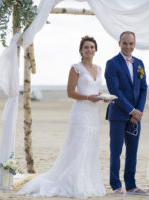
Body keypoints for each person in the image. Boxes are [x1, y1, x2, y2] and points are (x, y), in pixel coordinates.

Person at [18, 36, 106, 199]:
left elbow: (95, 89)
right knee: (78, 147)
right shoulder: (76, 68)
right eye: (86, 47)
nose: (89, 50)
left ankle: (87, 182)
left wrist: (101, 97)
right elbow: (70, 92)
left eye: (92, 47)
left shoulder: (99, 69)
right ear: (81, 50)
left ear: (96, 50)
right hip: (81, 113)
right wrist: (88, 98)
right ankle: (74, 184)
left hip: (94, 114)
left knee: (90, 147)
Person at [105, 31, 148, 196]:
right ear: (119, 43)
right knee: (116, 151)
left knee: (132, 151)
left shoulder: (139, 63)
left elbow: (143, 89)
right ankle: (116, 185)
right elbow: (114, 90)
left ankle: (131, 186)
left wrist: (139, 112)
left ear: (134, 44)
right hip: (117, 115)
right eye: (125, 43)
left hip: (136, 117)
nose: (128, 46)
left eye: (131, 43)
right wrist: (131, 110)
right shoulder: (112, 63)